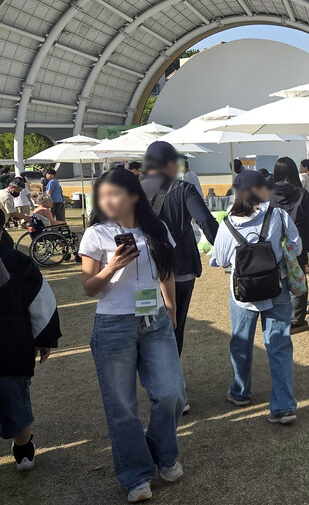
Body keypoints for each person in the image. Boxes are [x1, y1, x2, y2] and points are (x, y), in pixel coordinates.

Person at [79, 167, 184, 502]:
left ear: (134, 195)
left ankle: (162, 453)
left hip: (155, 322)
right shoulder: (95, 234)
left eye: (115, 193)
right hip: (113, 326)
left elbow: (166, 272)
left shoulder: (156, 228)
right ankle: (136, 475)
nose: (108, 200)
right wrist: (112, 267)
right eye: (103, 195)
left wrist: (171, 308)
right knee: (122, 407)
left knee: (171, 394)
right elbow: (88, 288)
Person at [209, 170, 300, 425]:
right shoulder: (278, 215)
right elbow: (296, 245)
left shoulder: (228, 222)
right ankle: (283, 406)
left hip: (242, 292)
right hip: (276, 286)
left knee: (241, 341)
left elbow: (219, 259)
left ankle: (240, 392)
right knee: (279, 345)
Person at [140, 142, 219, 362]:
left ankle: (152, 375)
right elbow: (205, 221)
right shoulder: (184, 189)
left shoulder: (131, 190)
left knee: (145, 323)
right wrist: (225, 250)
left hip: (143, 271)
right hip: (180, 267)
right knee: (176, 323)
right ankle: (172, 379)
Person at [0, 246, 61, 472]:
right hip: (11, 345)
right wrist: (44, 337)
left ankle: (24, 449)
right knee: (15, 398)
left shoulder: (18, 262)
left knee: (14, 395)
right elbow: (40, 300)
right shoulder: (17, 261)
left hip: (11, 346)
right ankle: (23, 450)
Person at [271, 157, 309, 330]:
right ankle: (297, 318)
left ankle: (279, 316)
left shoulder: (268, 194)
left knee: (276, 278)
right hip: (297, 243)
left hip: (273, 243)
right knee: (298, 277)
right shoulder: (301, 193)